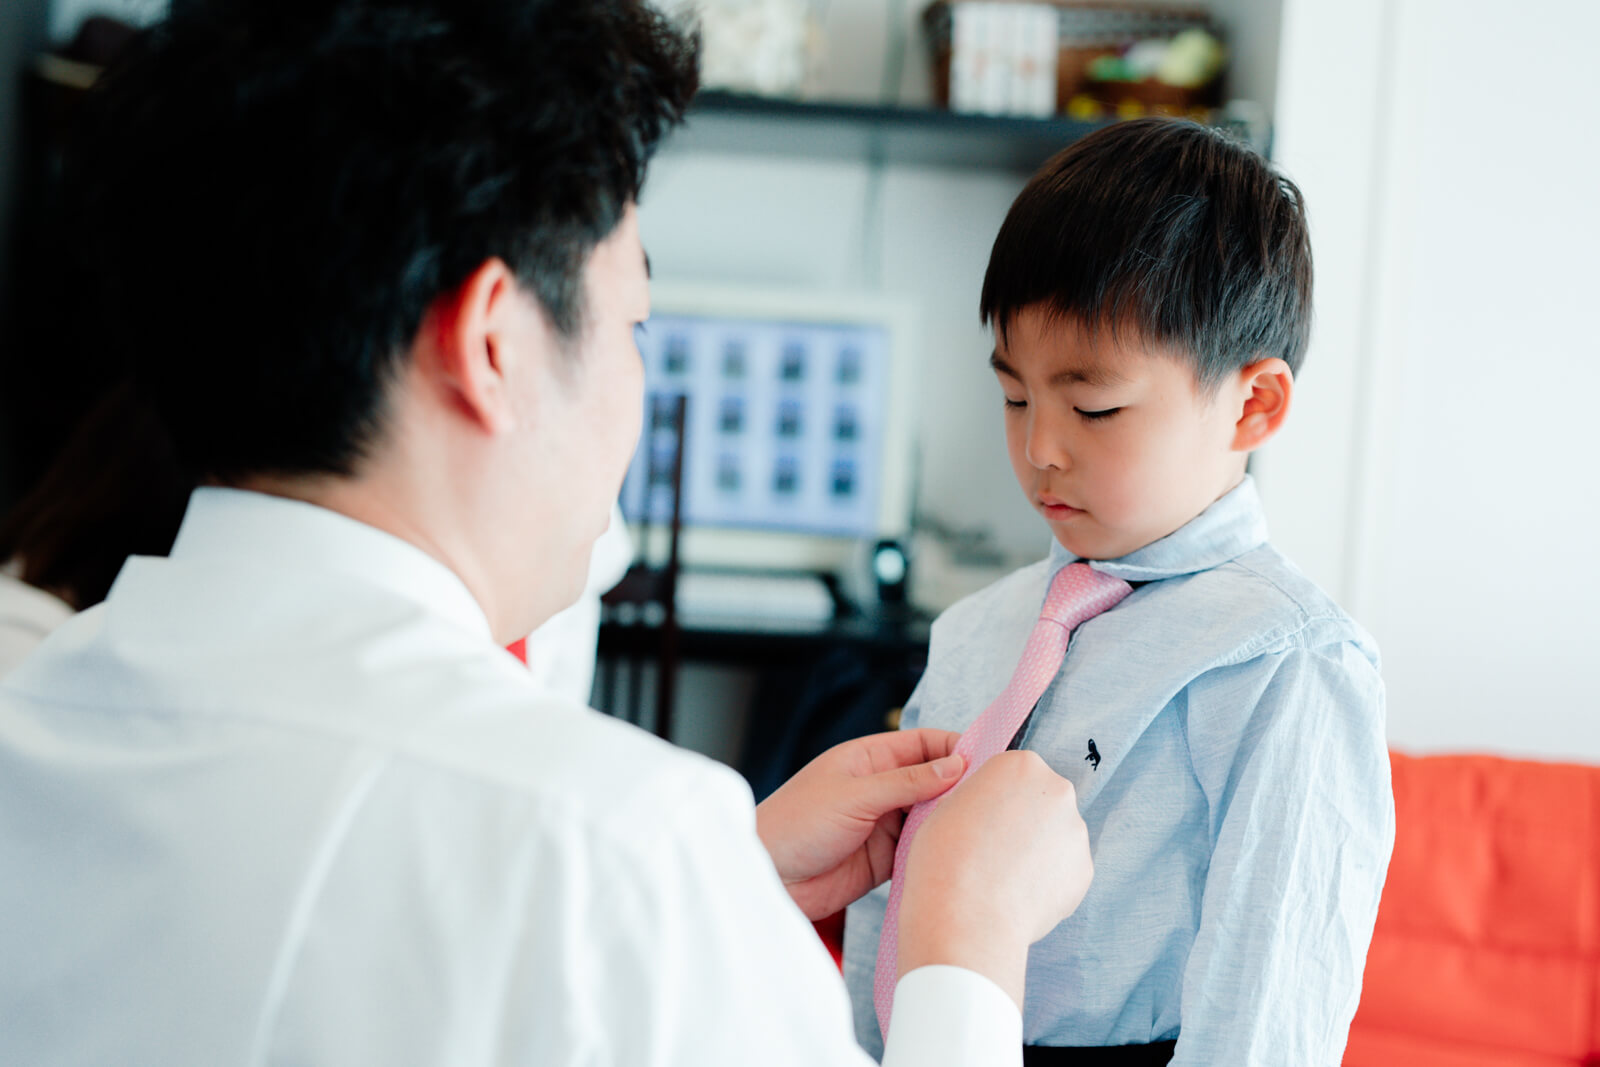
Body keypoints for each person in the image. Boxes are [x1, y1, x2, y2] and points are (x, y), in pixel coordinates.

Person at [0, 2, 1097, 1064]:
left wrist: (722, 892)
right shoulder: (608, 841)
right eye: (632, 325)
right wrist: (967, 944)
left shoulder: (34, 721)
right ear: (494, 345)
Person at [843, 119, 1396, 1064]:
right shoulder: (978, 630)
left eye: (1094, 406)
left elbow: (1269, 1014)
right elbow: (887, 909)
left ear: (1252, 403)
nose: (1039, 448)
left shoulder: (1288, 661)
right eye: (1016, 396)